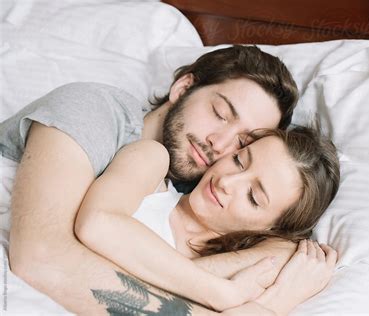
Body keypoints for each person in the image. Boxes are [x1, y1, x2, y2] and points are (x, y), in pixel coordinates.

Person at [0, 45, 312, 314]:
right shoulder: (94, 110)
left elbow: (283, 247)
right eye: (220, 112)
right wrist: (219, 296)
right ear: (183, 87)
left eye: (242, 144)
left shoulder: (198, 192)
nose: (220, 143)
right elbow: (40, 257)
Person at [73, 126, 340, 315]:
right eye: (238, 160)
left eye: (253, 197)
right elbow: (97, 223)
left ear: (272, 228)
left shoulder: (251, 272)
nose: (226, 182)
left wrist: (277, 302)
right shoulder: (150, 162)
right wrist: (223, 294)